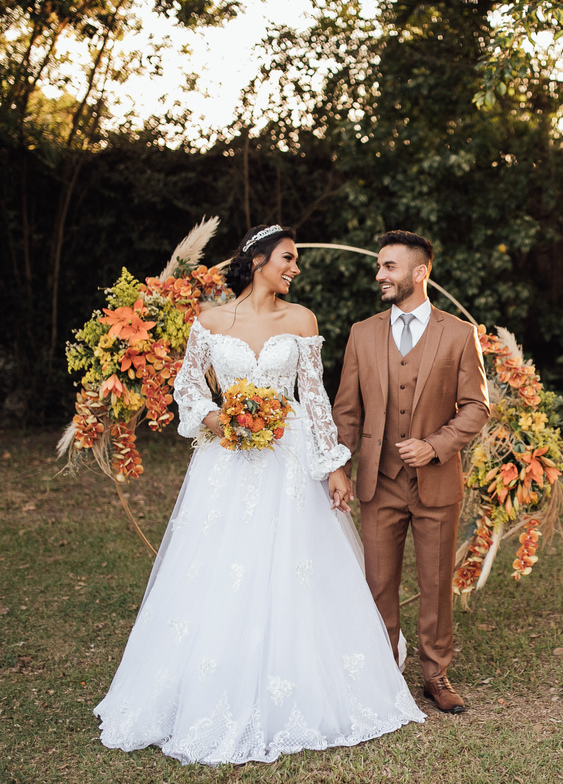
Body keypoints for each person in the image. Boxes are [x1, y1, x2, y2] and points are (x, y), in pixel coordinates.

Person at [94, 225, 425, 766]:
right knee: (220, 566)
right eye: (288, 259)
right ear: (257, 262)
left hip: (288, 459)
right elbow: (187, 386)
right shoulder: (210, 321)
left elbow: (315, 400)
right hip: (226, 460)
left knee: (294, 566)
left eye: (295, 260)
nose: (295, 268)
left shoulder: (301, 321)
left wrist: (334, 468)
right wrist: (217, 418)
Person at [331, 230, 489, 714]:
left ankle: (435, 674)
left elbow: (476, 407)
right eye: (379, 266)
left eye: (390, 267)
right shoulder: (362, 332)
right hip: (378, 481)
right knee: (378, 581)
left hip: (436, 481)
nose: (379, 274)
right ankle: (383, 673)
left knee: (436, 581)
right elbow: (347, 412)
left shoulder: (460, 334)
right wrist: (340, 465)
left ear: (420, 273)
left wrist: (435, 446)